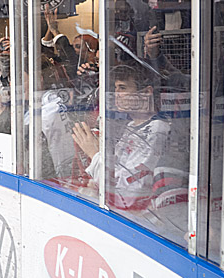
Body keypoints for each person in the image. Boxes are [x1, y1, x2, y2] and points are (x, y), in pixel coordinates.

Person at [72, 62, 171, 210]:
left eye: (123, 88)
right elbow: (114, 173)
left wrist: (94, 153)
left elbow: (127, 192)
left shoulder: (156, 129)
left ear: (146, 92)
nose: (116, 94)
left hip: (142, 217)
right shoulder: (131, 126)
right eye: (115, 88)